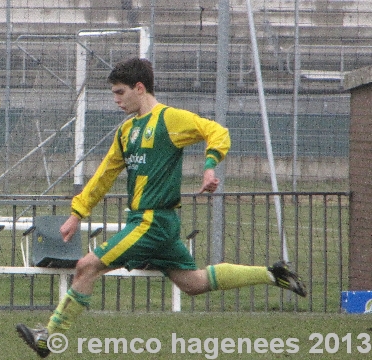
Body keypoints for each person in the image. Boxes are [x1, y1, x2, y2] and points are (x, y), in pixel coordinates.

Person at [16, 57, 307, 358]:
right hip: (157, 226)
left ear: (139, 88)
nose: (115, 100)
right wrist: (77, 214)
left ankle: (49, 336)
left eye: (120, 92)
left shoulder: (170, 120)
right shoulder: (126, 131)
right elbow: (104, 175)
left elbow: (217, 132)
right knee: (193, 283)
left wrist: (209, 167)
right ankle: (273, 274)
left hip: (151, 222)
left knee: (86, 265)